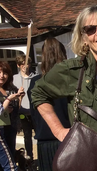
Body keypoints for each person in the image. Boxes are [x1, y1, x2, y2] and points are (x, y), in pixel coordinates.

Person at [30, 5, 97, 170]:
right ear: (84, 37)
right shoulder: (73, 70)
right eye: (91, 29)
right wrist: (58, 130)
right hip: (87, 161)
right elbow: (38, 93)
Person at [27, 37, 70, 171]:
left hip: (45, 139)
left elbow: (34, 115)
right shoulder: (70, 81)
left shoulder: (35, 82)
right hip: (68, 137)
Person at [0, 61, 24, 159]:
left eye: (5, 73)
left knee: (10, 155)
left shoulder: (10, 88)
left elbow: (16, 109)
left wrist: (19, 98)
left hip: (11, 127)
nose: (2, 76)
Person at [13, 54, 37, 161]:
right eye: (22, 64)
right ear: (18, 65)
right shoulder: (14, 79)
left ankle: (40, 156)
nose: (25, 66)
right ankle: (30, 158)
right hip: (22, 112)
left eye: (26, 63)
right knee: (27, 136)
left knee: (38, 134)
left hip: (34, 112)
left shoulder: (36, 77)